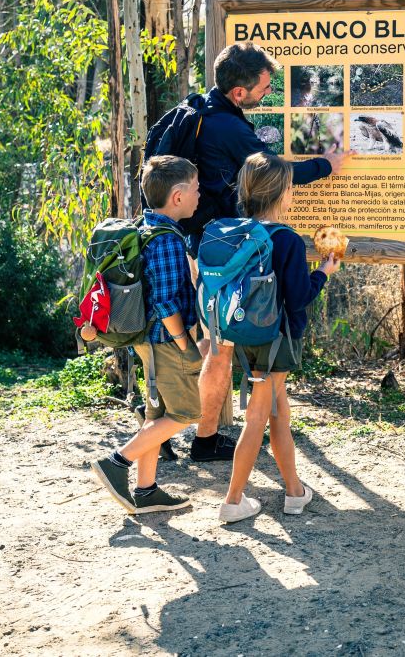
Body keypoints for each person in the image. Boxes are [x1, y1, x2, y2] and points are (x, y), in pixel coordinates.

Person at [171, 43, 346, 462]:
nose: (267, 95)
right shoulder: (229, 128)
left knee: (217, 342)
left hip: (209, 241)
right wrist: (327, 164)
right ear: (238, 92)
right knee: (230, 342)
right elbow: (275, 169)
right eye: (264, 89)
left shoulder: (201, 110)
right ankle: (238, 433)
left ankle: (202, 435)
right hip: (240, 243)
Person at [218, 152, 339, 523]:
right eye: (290, 188)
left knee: (278, 414)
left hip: (246, 333)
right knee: (258, 415)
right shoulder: (286, 239)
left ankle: (294, 491)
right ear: (282, 193)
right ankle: (233, 499)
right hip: (279, 338)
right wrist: (323, 272)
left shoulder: (238, 231)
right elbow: (299, 296)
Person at [89, 155, 205, 514]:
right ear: (177, 197)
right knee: (185, 413)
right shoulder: (168, 239)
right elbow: (166, 301)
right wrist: (185, 344)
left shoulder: (145, 227)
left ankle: (146, 490)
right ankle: (116, 462)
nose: (200, 195)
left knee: (157, 414)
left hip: (147, 340)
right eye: (196, 189)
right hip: (165, 340)